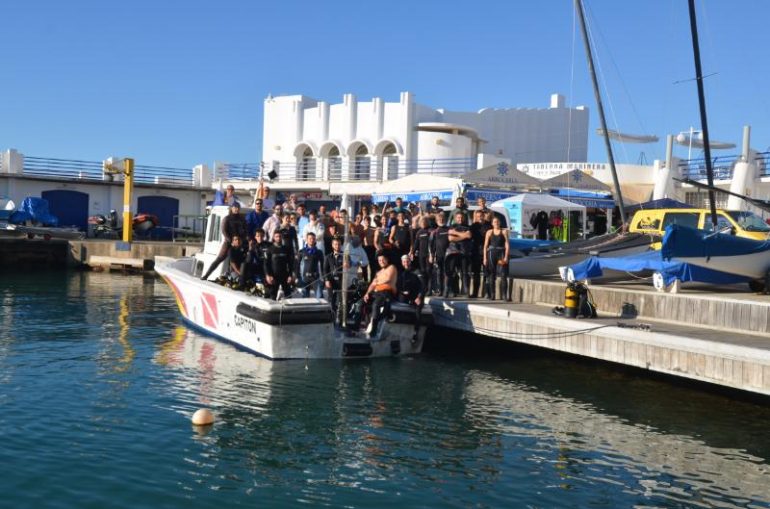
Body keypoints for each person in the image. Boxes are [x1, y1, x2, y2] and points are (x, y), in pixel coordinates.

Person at [201, 202, 248, 280]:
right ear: (232, 208)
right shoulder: (227, 218)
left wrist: (241, 241)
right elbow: (224, 231)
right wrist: (231, 241)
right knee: (219, 259)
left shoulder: (242, 219)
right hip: (229, 242)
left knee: (240, 260)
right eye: (235, 207)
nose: (236, 209)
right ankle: (206, 275)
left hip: (239, 243)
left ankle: (239, 277)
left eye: (238, 207)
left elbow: (246, 231)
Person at [363, 252, 398, 337]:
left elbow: (387, 279)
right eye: (379, 260)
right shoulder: (378, 272)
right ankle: (361, 326)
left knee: (376, 304)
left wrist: (376, 282)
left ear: (387, 259)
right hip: (377, 292)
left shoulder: (391, 267)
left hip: (387, 292)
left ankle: (374, 330)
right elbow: (372, 284)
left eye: (383, 259)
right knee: (361, 303)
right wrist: (367, 293)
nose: (381, 261)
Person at [397, 253, 424, 339]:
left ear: (410, 261)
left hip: (415, 296)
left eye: (407, 261)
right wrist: (401, 291)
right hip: (404, 295)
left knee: (418, 307)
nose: (406, 263)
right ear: (402, 262)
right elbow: (397, 286)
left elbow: (423, 286)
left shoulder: (417, 272)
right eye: (404, 261)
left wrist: (419, 297)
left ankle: (416, 332)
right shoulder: (400, 273)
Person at [483, 216, 511, 301]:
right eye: (494, 222)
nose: (496, 223)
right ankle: (492, 295)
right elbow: (485, 246)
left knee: (503, 275)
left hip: (501, 253)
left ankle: (504, 296)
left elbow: (507, 244)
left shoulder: (504, 231)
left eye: (498, 222)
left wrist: (506, 256)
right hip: (491, 253)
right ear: (492, 223)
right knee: (491, 275)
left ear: (500, 223)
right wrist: (485, 258)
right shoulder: (489, 232)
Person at [445, 211, 472, 297]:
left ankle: (466, 291)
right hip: (453, 252)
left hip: (464, 252)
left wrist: (456, 233)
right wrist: (463, 236)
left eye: (461, 217)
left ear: (463, 218)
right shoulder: (451, 227)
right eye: (458, 217)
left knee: (465, 272)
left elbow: (469, 236)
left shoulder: (467, 227)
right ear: (455, 218)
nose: (460, 219)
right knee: (451, 272)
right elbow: (450, 238)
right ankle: (450, 291)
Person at [264, 230, 294, 300]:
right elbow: (266, 264)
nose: (278, 238)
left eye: (280, 236)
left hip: (284, 275)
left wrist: (290, 275)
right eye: (276, 237)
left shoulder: (286, 249)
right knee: (272, 295)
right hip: (273, 276)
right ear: (274, 238)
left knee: (288, 295)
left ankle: (288, 310)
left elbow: (290, 263)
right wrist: (268, 275)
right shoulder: (270, 249)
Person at [470, 209, 492, 298]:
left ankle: (487, 293)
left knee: (487, 273)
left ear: (484, 216)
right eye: (478, 216)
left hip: (486, 252)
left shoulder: (489, 226)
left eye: (481, 216)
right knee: (476, 273)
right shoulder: (473, 226)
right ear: (476, 217)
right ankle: (475, 293)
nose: (480, 218)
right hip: (475, 252)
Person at [296, 232, 324, 298]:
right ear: (307, 240)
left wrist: (323, 277)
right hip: (304, 278)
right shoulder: (301, 252)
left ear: (315, 240)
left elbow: (322, 265)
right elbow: (297, 265)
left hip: (315, 277)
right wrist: (298, 277)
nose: (312, 240)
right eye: (310, 238)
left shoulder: (319, 252)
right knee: (305, 298)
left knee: (320, 296)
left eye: (313, 239)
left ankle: (320, 308)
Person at [324, 237, 347, 317]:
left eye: (339, 244)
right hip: (331, 281)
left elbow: (349, 265)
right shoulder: (328, 257)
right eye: (335, 244)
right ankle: (331, 316)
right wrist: (326, 280)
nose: (337, 246)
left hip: (341, 281)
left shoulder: (345, 255)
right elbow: (325, 270)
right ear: (332, 245)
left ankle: (340, 318)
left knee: (341, 300)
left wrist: (347, 264)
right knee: (331, 299)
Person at [429, 212, 451, 296]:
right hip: (439, 254)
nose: (441, 220)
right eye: (439, 219)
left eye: (442, 219)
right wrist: (432, 255)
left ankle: (448, 290)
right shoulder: (434, 232)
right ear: (436, 221)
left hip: (449, 255)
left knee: (448, 272)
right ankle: (441, 290)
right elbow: (431, 245)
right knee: (439, 272)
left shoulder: (449, 229)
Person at [412, 216, 433, 294]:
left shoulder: (430, 231)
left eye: (424, 222)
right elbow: (416, 244)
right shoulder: (419, 232)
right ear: (420, 223)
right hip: (421, 255)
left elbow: (433, 244)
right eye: (422, 222)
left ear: (427, 222)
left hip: (428, 254)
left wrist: (432, 254)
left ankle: (430, 289)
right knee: (423, 272)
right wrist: (412, 253)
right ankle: (424, 288)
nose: (423, 224)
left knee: (429, 271)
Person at [361, 215, 377, 281]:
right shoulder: (362, 229)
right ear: (364, 221)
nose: (367, 222)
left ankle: (371, 281)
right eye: (366, 221)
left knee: (372, 266)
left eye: (368, 220)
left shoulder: (373, 229)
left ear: (370, 221)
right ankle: (365, 280)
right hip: (364, 248)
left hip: (371, 248)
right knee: (364, 265)